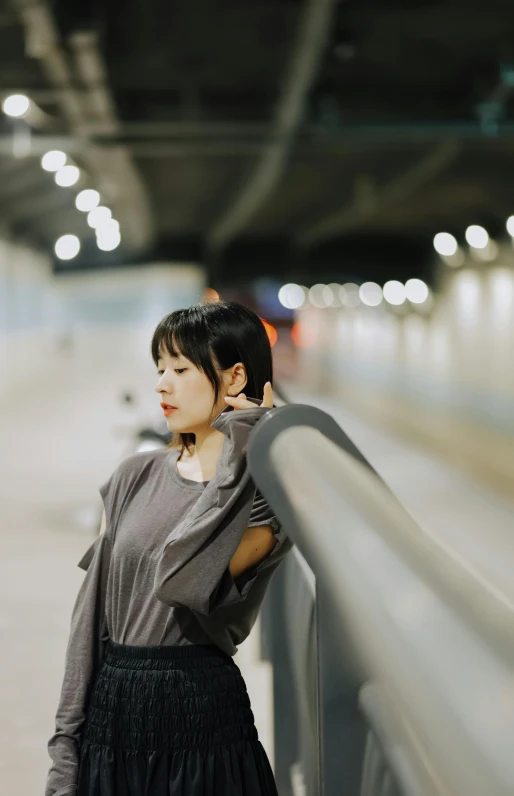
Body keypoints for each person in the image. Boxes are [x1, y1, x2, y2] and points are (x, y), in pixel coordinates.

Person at [45, 300, 293, 796]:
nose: (162, 383)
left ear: (235, 377)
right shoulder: (132, 476)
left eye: (180, 368)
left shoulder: (263, 502)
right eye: (160, 368)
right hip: (112, 721)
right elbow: (89, 622)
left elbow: (181, 577)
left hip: (202, 728)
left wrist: (241, 453)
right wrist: (64, 752)